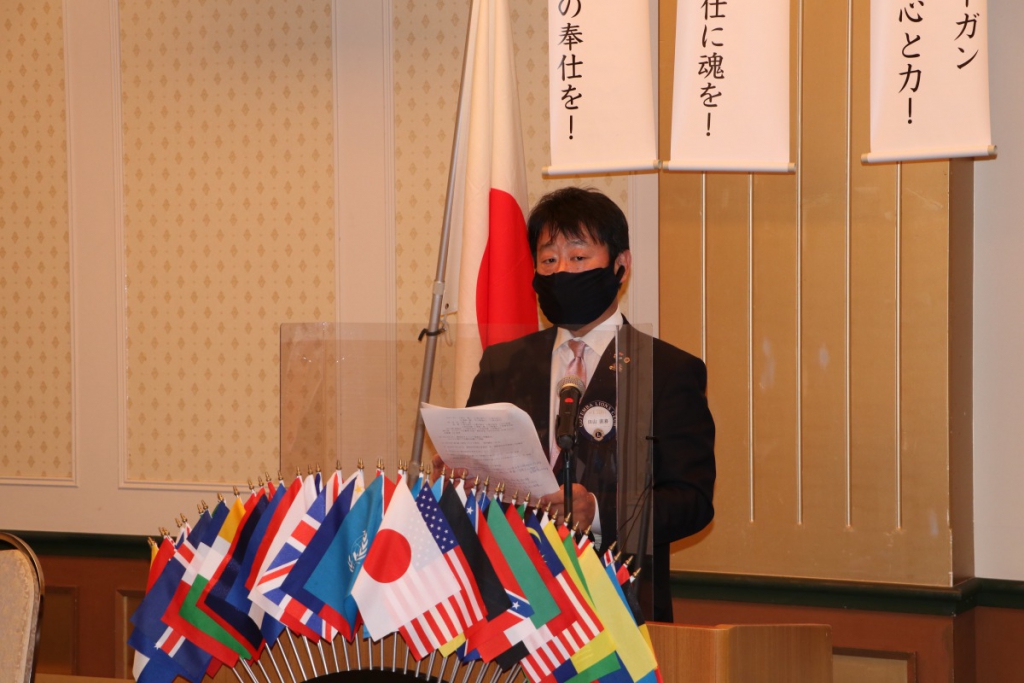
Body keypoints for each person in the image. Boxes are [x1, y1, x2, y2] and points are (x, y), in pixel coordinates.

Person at [462, 186, 716, 622]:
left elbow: (691, 501)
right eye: (548, 260)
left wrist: (597, 512)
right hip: (513, 604)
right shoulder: (503, 365)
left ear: (621, 265)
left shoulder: (667, 371)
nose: (562, 270)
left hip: (620, 610)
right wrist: (459, 478)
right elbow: (479, 475)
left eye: (578, 257)